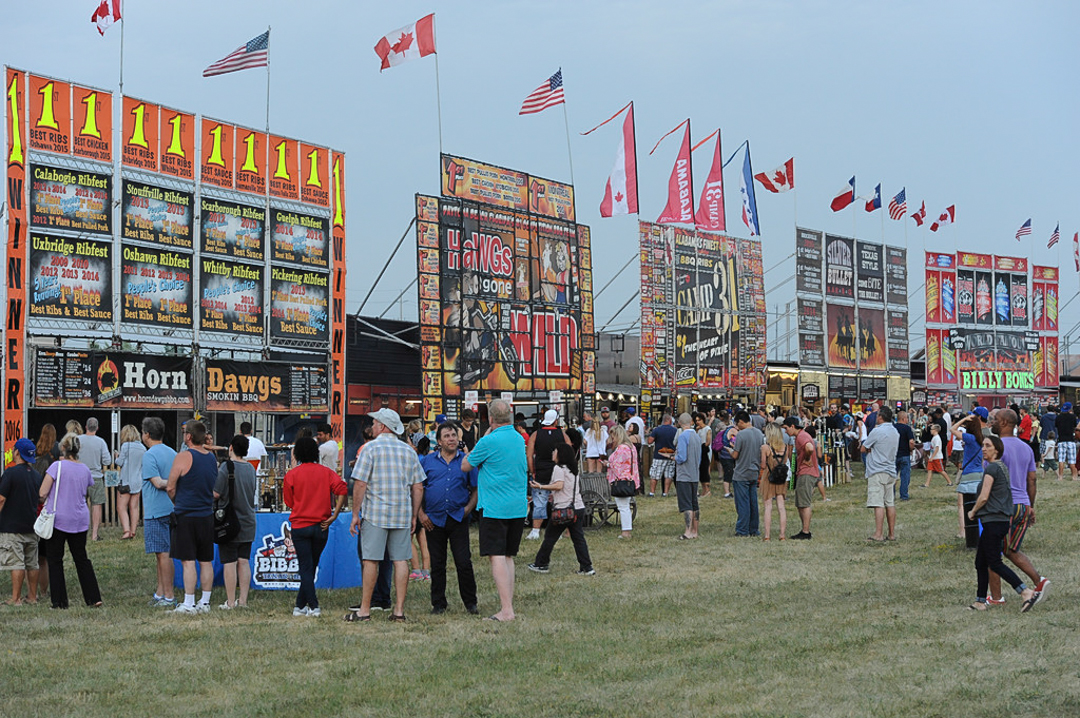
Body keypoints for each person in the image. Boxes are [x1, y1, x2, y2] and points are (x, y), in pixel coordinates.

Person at [349, 408, 424, 623]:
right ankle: (398, 611)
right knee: (401, 561)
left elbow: (360, 483)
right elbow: (418, 486)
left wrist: (355, 513)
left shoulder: (369, 449)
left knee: (371, 560)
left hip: (375, 514)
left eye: (374, 423)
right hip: (401, 513)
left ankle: (365, 610)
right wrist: (413, 515)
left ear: (382, 426)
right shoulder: (408, 451)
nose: (372, 426)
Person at [461, 399, 528, 622]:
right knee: (508, 555)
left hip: (495, 506)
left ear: (490, 419)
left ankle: (506, 609)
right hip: (517, 505)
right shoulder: (519, 439)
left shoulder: (489, 441)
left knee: (496, 556)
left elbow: (466, 465)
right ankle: (508, 604)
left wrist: (483, 438)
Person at [966, 434, 1037, 612]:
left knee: (995, 562)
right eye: (983, 445)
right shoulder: (1001, 467)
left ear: (996, 450)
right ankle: (980, 601)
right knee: (980, 562)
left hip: (993, 520)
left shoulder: (991, 469)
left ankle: (1025, 591)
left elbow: (984, 496)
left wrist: (973, 512)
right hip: (999, 520)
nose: (983, 448)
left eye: (987, 446)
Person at [986, 409, 1050, 607]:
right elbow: (1032, 479)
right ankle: (1039, 582)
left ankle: (997, 597)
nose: (992, 422)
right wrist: (1030, 506)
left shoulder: (996, 448)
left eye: (995, 419)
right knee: (1011, 549)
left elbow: (989, 479)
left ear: (1005, 422)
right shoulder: (1026, 448)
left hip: (1003, 507)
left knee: (993, 552)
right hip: (1022, 504)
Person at [418, 423, 479, 615]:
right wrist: (420, 514)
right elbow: (417, 488)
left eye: (454, 435)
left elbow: (476, 488)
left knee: (463, 561)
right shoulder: (427, 462)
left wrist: (468, 509)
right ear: (439, 441)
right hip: (432, 520)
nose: (451, 439)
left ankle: (470, 603)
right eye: (447, 436)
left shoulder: (466, 461)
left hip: (458, 518)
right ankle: (438, 603)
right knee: (437, 563)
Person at [282, 436, 347, 617]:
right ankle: (299, 605)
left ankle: (313, 605)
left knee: (305, 567)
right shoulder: (326, 472)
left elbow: (288, 501)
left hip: (300, 526)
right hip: (321, 526)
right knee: (312, 565)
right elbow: (342, 489)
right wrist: (335, 514)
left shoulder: (292, 475)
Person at [40, 433, 102, 609]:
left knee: (55, 559)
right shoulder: (84, 469)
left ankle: (59, 601)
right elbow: (88, 488)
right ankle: (93, 597)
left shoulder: (56, 467)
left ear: (63, 448)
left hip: (58, 518)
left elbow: (43, 492)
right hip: (79, 518)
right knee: (81, 558)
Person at [166, 420, 218, 614]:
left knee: (188, 561)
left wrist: (177, 501)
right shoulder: (211, 458)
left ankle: (189, 602)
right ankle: (205, 601)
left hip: (186, 514)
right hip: (206, 514)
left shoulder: (183, 457)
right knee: (205, 560)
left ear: (188, 437)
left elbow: (170, 486)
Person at [527, 443, 594, 575]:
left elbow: (558, 485)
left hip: (563, 509)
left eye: (555, 451)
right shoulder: (573, 469)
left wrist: (540, 487)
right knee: (578, 539)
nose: (553, 454)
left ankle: (541, 564)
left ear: (560, 454)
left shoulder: (558, 468)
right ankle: (587, 567)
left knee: (550, 537)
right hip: (577, 507)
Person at [214, 435, 260, 610]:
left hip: (230, 522)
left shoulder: (227, 467)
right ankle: (243, 601)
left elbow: (217, 493)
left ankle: (231, 602)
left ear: (231, 447)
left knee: (229, 562)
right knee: (243, 560)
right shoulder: (250, 468)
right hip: (248, 520)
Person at [0, 439, 43, 605]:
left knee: (16, 562)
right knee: (32, 562)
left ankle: (15, 598)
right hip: (31, 525)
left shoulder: (10, 473)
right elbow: (40, 498)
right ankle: (32, 596)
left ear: (17, 452)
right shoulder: (36, 475)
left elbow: (2, 499)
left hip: (12, 527)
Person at [139, 417, 176, 608]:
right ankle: (160, 591)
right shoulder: (172, 452)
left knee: (163, 554)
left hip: (156, 510)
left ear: (146, 434)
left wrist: (168, 483)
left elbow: (156, 482)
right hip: (172, 508)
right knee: (160, 553)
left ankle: (168, 595)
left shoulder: (149, 455)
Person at [526, 409, 571, 540]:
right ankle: (561, 530)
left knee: (540, 502)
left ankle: (535, 530)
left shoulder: (536, 434)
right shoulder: (562, 434)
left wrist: (532, 470)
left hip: (541, 471)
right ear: (556, 420)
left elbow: (529, 455)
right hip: (558, 472)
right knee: (560, 501)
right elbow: (569, 451)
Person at [861, 406, 899, 542]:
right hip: (890, 469)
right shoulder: (895, 431)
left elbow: (863, 448)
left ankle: (878, 534)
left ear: (881, 417)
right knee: (890, 502)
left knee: (878, 503)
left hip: (877, 470)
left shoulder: (877, 431)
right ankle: (892, 533)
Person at [951, 409, 986, 539]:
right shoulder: (981, 439)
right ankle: (980, 529)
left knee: (962, 504)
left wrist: (964, 419)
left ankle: (963, 531)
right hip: (979, 474)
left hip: (968, 475)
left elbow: (952, 429)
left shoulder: (969, 438)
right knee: (979, 504)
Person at [730, 411, 763, 537]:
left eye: (737, 424)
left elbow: (735, 455)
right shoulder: (759, 434)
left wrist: (729, 449)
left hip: (741, 473)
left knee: (743, 503)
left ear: (741, 421)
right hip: (754, 471)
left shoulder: (741, 435)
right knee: (753, 502)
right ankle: (753, 528)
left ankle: (742, 529)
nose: (737, 427)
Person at [78, 417, 111, 541]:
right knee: (96, 505)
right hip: (96, 477)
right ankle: (94, 535)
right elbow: (107, 460)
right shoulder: (101, 442)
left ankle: (80, 531)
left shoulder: (78, 439)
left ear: (85, 427)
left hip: (80, 476)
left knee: (80, 504)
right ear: (97, 428)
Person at [785, 417, 817, 540]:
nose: (786, 432)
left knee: (804, 503)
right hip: (805, 472)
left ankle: (806, 531)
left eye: (786, 428)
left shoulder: (801, 437)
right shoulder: (803, 435)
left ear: (792, 426)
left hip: (806, 473)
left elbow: (809, 448)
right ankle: (804, 529)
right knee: (800, 503)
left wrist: (807, 459)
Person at [606, 425, 639, 539]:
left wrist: (607, 464)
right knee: (625, 507)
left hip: (620, 480)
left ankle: (626, 532)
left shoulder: (621, 448)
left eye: (613, 436)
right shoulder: (631, 447)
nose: (612, 439)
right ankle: (627, 530)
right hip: (630, 479)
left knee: (623, 507)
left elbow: (617, 466)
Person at [113, 424, 145, 540]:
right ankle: (133, 531)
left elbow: (120, 462)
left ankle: (126, 530)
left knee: (121, 507)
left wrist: (117, 456)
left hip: (126, 481)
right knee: (134, 507)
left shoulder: (125, 446)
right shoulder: (142, 447)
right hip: (137, 481)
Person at [673, 413, 702, 540]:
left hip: (684, 474)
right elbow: (699, 458)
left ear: (679, 423)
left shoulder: (682, 436)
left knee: (686, 504)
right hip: (695, 473)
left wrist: (674, 457)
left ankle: (688, 531)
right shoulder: (696, 436)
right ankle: (695, 531)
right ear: (691, 421)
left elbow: (682, 457)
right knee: (694, 503)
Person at [759, 423, 788, 541]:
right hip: (781, 478)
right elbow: (786, 461)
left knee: (768, 506)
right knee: (781, 507)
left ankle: (767, 535)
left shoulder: (765, 448)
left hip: (769, 477)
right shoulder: (785, 446)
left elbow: (762, 464)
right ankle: (782, 535)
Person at [648, 414, 678, 497]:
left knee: (654, 475)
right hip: (671, 455)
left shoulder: (657, 430)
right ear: (670, 421)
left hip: (659, 455)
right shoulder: (675, 430)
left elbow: (650, 441)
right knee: (668, 475)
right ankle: (665, 493)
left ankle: (652, 493)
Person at [894, 410, 916, 501]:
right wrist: (912, 449)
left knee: (892, 476)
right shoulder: (907, 428)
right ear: (903, 419)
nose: (907, 420)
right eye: (907, 418)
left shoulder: (893, 427)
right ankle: (904, 495)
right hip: (905, 454)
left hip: (894, 455)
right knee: (905, 476)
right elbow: (911, 441)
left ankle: (890, 495)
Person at [1054, 402, 1077, 480]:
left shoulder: (1058, 417)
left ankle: (1060, 476)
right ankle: (1074, 476)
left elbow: (1056, 426)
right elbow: (1074, 426)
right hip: (1070, 440)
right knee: (1072, 460)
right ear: (1070, 408)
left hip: (1061, 440)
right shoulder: (1073, 417)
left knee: (1061, 460)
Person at [693, 412, 713, 497]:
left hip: (705, 450)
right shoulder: (697, 430)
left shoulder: (707, 429)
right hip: (698, 450)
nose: (698, 422)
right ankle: (704, 490)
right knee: (700, 470)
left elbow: (708, 441)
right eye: (696, 420)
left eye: (699, 420)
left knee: (705, 469)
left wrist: (703, 446)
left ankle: (707, 489)